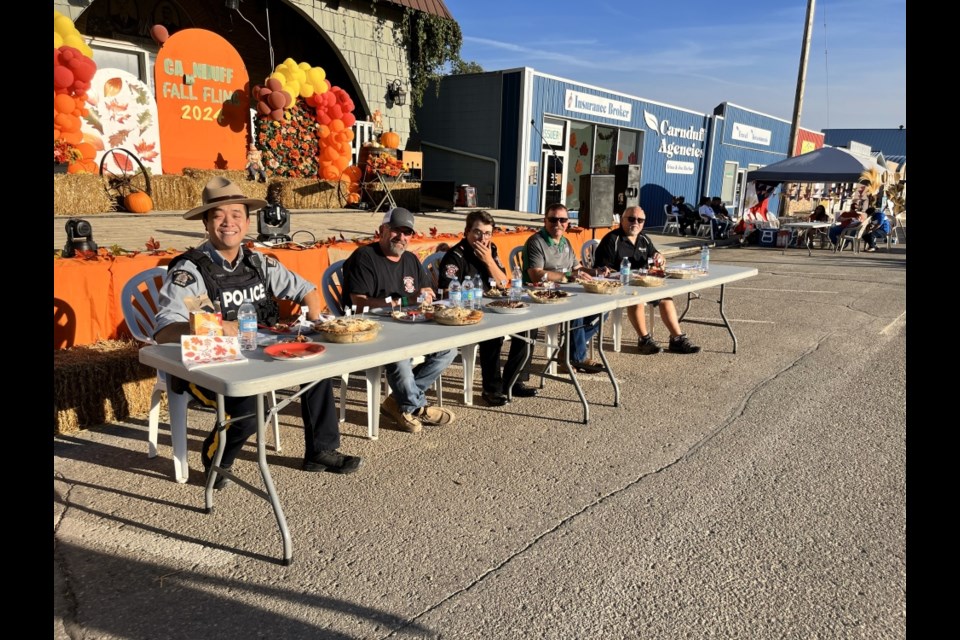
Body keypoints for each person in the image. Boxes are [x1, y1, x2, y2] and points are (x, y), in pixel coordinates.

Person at [153, 177, 362, 488]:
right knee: (251, 407)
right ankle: (216, 459)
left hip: (257, 352)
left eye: (236, 215)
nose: (229, 223)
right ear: (206, 224)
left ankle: (321, 450)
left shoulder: (257, 261)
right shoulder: (189, 270)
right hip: (204, 366)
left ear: (247, 221)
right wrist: (214, 327)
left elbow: (307, 290)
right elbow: (164, 331)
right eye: (219, 215)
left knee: (316, 365)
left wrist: (315, 322)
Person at [342, 207, 457, 433]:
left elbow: (424, 288)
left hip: (410, 323)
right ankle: (416, 406)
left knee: (449, 349)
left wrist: (426, 294)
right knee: (401, 358)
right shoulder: (365, 257)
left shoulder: (411, 259)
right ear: (383, 230)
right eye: (396, 231)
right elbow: (360, 302)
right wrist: (404, 301)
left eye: (407, 233)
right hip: (372, 326)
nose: (402, 238)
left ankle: (398, 402)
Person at [437, 211, 536, 406]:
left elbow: (503, 283)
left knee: (528, 326)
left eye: (488, 233)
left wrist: (489, 260)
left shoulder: (491, 249)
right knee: (492, 334)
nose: (483, 238)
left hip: (493, 306)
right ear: (466, 232)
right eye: (477, 232)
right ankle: (492, 389)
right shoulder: (455, 256)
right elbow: (448, 292)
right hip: (468, 312)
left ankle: (514, 380)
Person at [593, 206, 701, 355]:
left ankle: (677, 338)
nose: (635, 222)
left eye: (640, 220)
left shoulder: (643, 238)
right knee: (636, 298)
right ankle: (644, 339)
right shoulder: (612, 239)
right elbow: (602, 270)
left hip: (644, 283)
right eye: (631, 219)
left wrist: (660, 257)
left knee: (666, 297)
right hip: (620, 285)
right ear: (622, 220)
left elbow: (656, 254)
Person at [520, 202, 606, 374]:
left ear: (567, 223)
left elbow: (577, 269)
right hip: (540, 293)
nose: (558, 223)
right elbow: (536, 274)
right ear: (545, 221)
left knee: (603, 308)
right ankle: (577, 357)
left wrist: (596, 271)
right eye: (553, 219)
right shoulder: (536, 242)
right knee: (576, 311)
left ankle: (567, 353)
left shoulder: (565, 242)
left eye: (562, 220)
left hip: (567, 292)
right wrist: (566, 276)